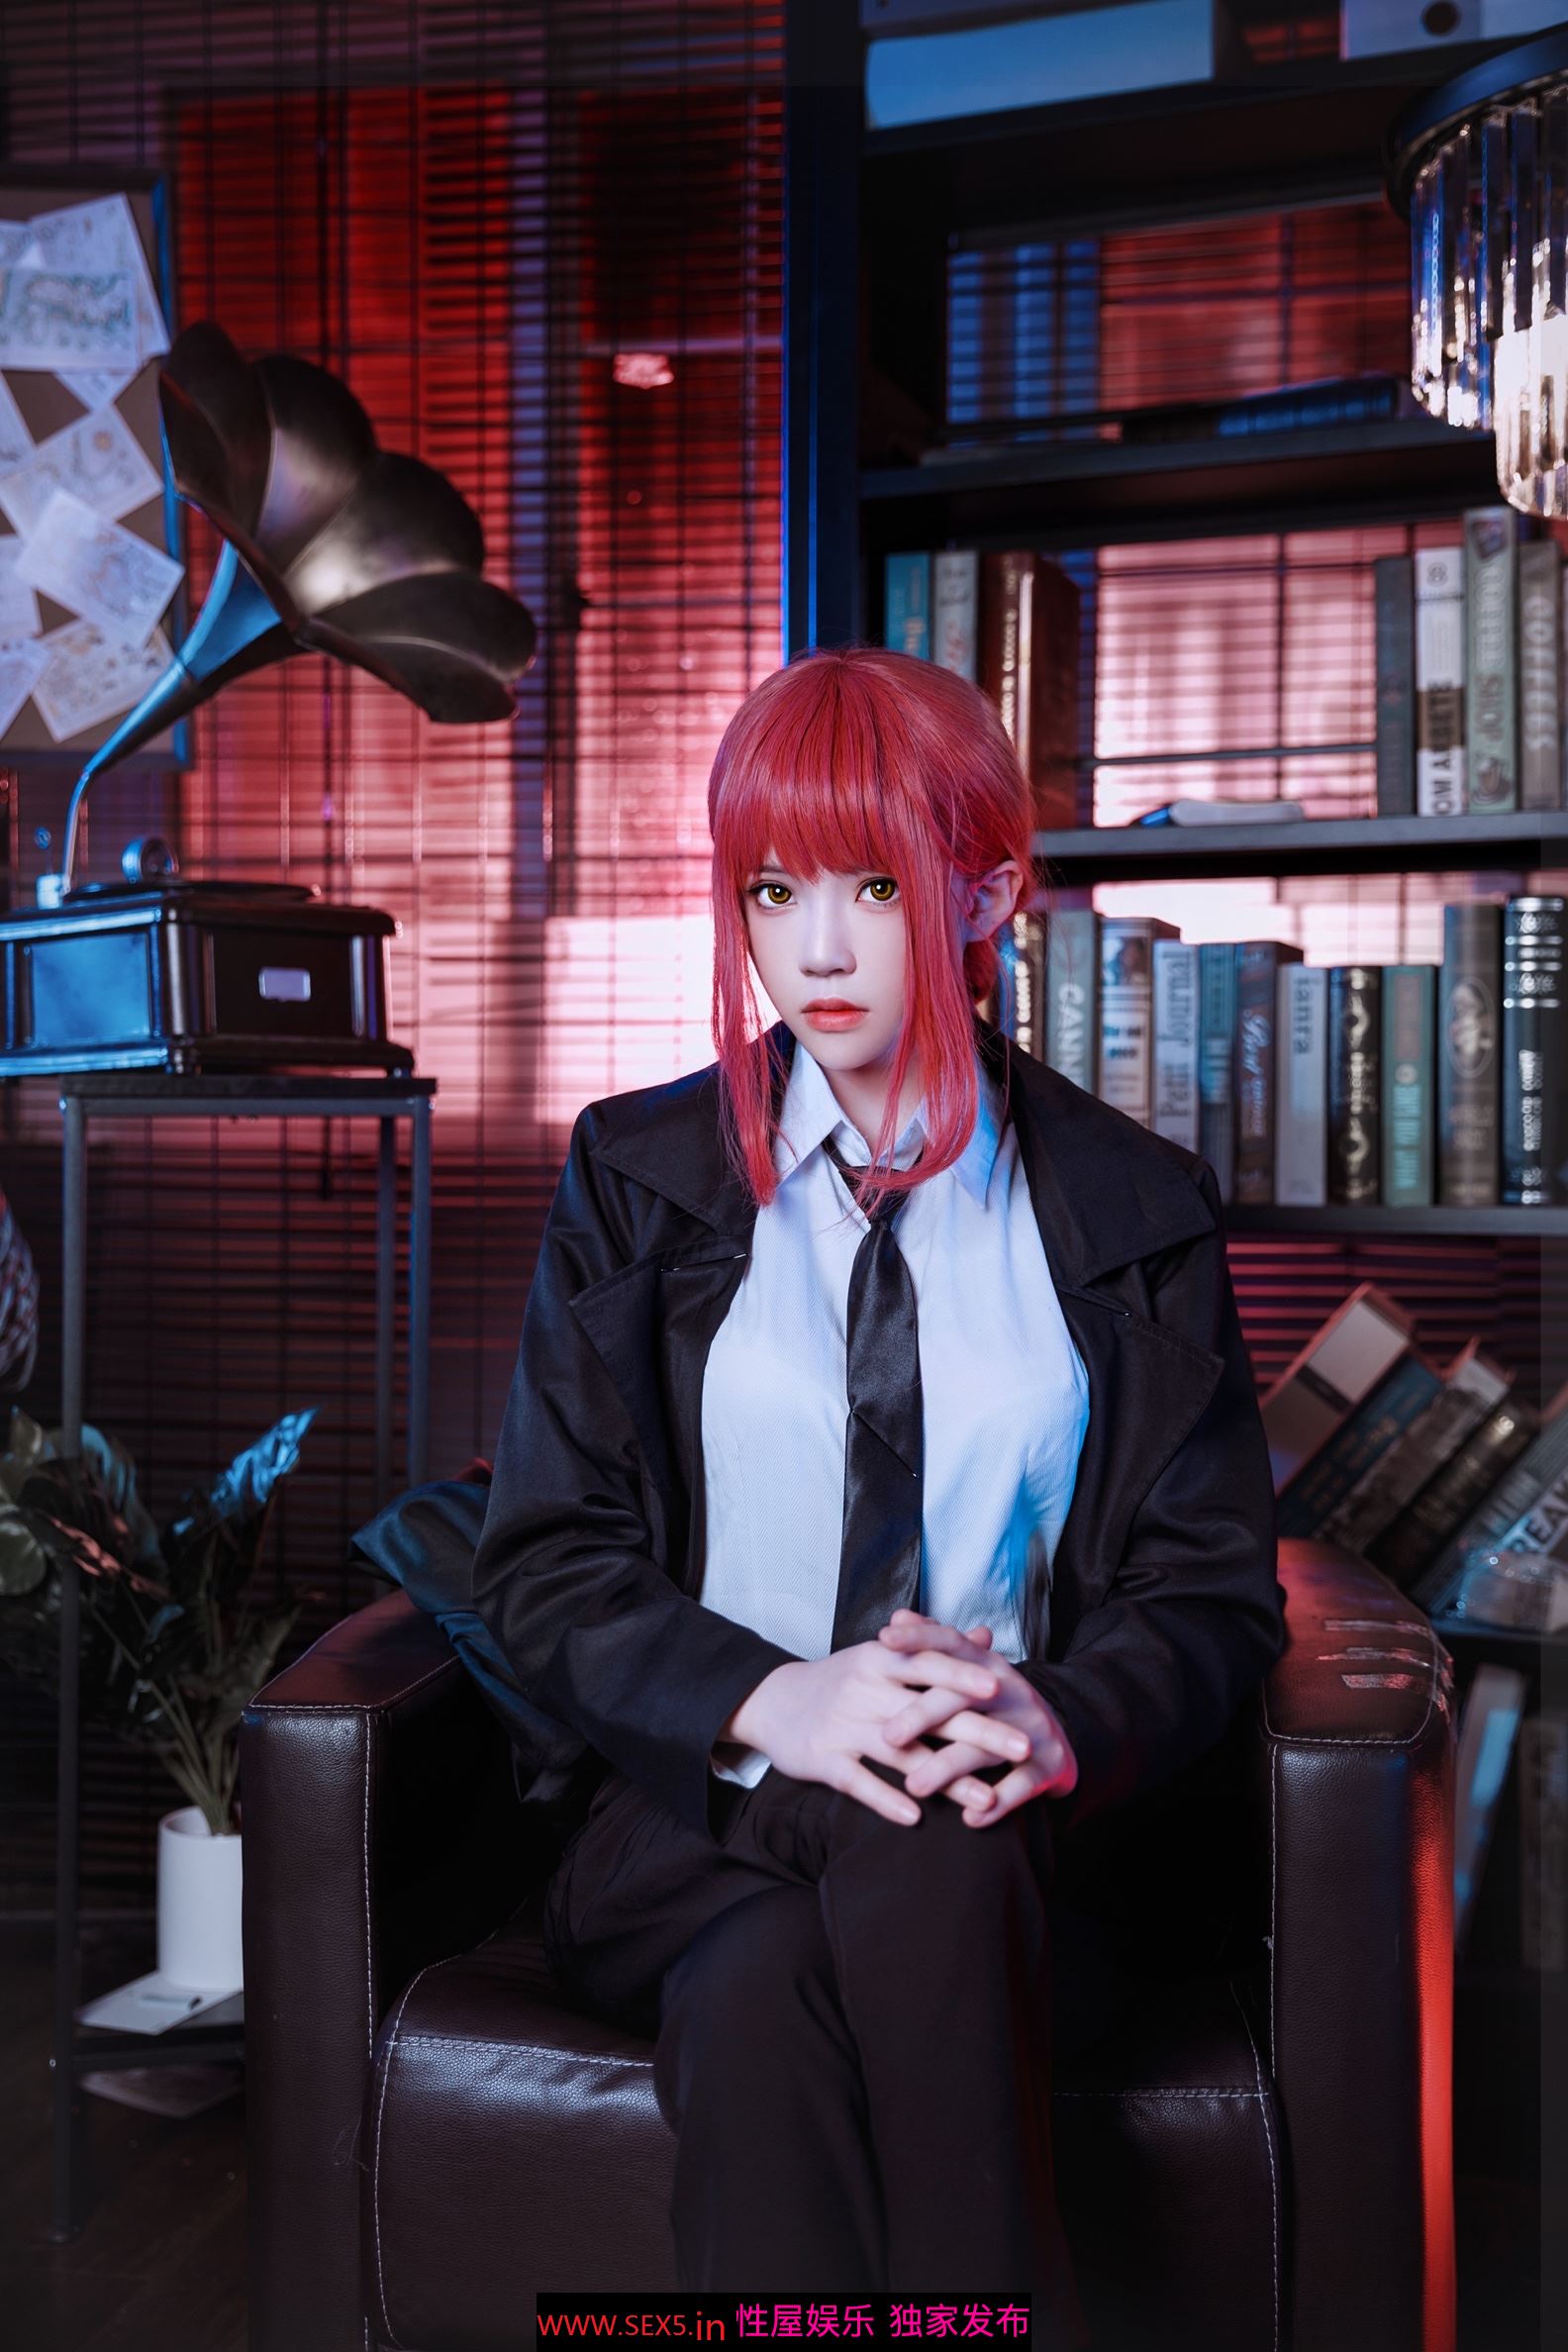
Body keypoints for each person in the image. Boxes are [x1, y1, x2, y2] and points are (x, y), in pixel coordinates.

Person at [469, 645, 1284, 2330]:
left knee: (764, 1990)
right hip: (693, 1814)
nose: (817, 949)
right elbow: (545, 1559)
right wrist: (780, 1699)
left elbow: (1209, 1593)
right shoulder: (635, 1179)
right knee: (906, 1841)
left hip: (1020, 1835)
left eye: (876, 885)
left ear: (984, 894)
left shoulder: (1136, 1208)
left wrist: (1059, 1718)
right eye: (774, 890)